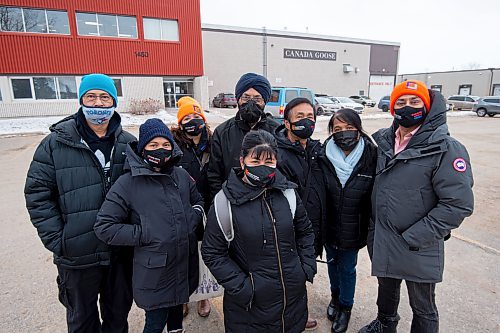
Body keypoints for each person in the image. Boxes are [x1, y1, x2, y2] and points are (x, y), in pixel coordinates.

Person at [359, 80, 474, 333]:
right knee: (386, 290)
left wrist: (415, 236)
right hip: (383, 237)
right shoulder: (385, 144)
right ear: (392, 108)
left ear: (428, 106)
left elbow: (458, 204)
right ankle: (385, 323)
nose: (407, 107)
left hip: (417, 243)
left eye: (414, 101)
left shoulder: (447, 148)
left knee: (423, 305)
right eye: (401, 102)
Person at [24, 73, 135, 333]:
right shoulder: (55, 144)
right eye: (91, 97)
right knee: (82, 322)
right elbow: (37, 194)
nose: (98, 104)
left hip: (119, 254)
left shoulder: (129, 144)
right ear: (81, 100)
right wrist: (59, 240)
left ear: (114, 102)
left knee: (118, 318)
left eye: (104, 97)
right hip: (77, 257)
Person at [94, 118, 204, 333]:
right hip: (155, 273)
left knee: (176, 320)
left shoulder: (181, 175)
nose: (160, 150)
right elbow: (104, 226)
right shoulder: (128, 183)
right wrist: (145, 233)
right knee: (154, 323)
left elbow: (197, 201)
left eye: (165, 145)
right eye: (153, 145)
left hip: (182, 265)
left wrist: (193, 217)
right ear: (142, 148)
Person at [202, 130, 317, 333]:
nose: (263, 167)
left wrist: (305, 267)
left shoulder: (288, 193)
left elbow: (305, 231)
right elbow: (213, 252)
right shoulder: (223, 202)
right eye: (255, 161)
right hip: (249, 309)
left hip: (292, 301)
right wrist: (243, 288)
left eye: (269, 161)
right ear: (242, 160)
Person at [318, 109, 377, 333]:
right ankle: (334, 297)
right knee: (332, 263)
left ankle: (346, 306)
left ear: (359, 129)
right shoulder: (322, 155)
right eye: (338, 129)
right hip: (329, 224)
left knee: (348, 268)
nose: (344, 133)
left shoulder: (372, 155)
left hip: (355, 226)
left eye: (349, 128)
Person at [274, 97, 326, 330]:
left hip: (313, 226)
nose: (306, 122)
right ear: (287, 123)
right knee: (288, 275)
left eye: (310, 117)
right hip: (290, 227)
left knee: (301, 273)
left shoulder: (317, 149)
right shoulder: (278, 154)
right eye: (300, 117)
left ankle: (297, 314)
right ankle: (289, 317)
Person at [171, 96, 212, 317]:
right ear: (180, 123)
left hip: (209, 207)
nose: (193, 121)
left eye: (197, 116)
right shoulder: (174, 145)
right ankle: (183, 297)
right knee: (183, 254)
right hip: (184, 208)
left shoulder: (213, 142)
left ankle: (203, 295)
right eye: (187, 117)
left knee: (204, 252)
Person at [207, 72, 279, 199]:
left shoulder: (277, 131)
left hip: (269, 199)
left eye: (257, 99)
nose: (251, 103)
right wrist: (221, 200)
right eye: (246, 98)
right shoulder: (222, 132)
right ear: (238, 99)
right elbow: (214, 174)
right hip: (232, 199)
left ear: (265, 101)